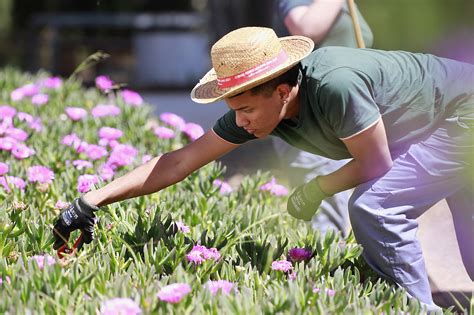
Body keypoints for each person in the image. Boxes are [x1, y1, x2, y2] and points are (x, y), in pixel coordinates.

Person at [53, 27, 473, 311]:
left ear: (284, 91)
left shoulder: (335, 86)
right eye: (234, 110)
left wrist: (315, 189)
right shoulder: (257, 111)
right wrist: (91, 200)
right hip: (444, 121)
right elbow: (180, 161)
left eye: (246, 109)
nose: (240, 121)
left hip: (463, 113)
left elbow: (376, 164)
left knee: (375, 207)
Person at [272, 0, 374, 236]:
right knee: (324, 225)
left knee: (343, 217)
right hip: (311, 124)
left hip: (342, 120)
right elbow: (306, 28)